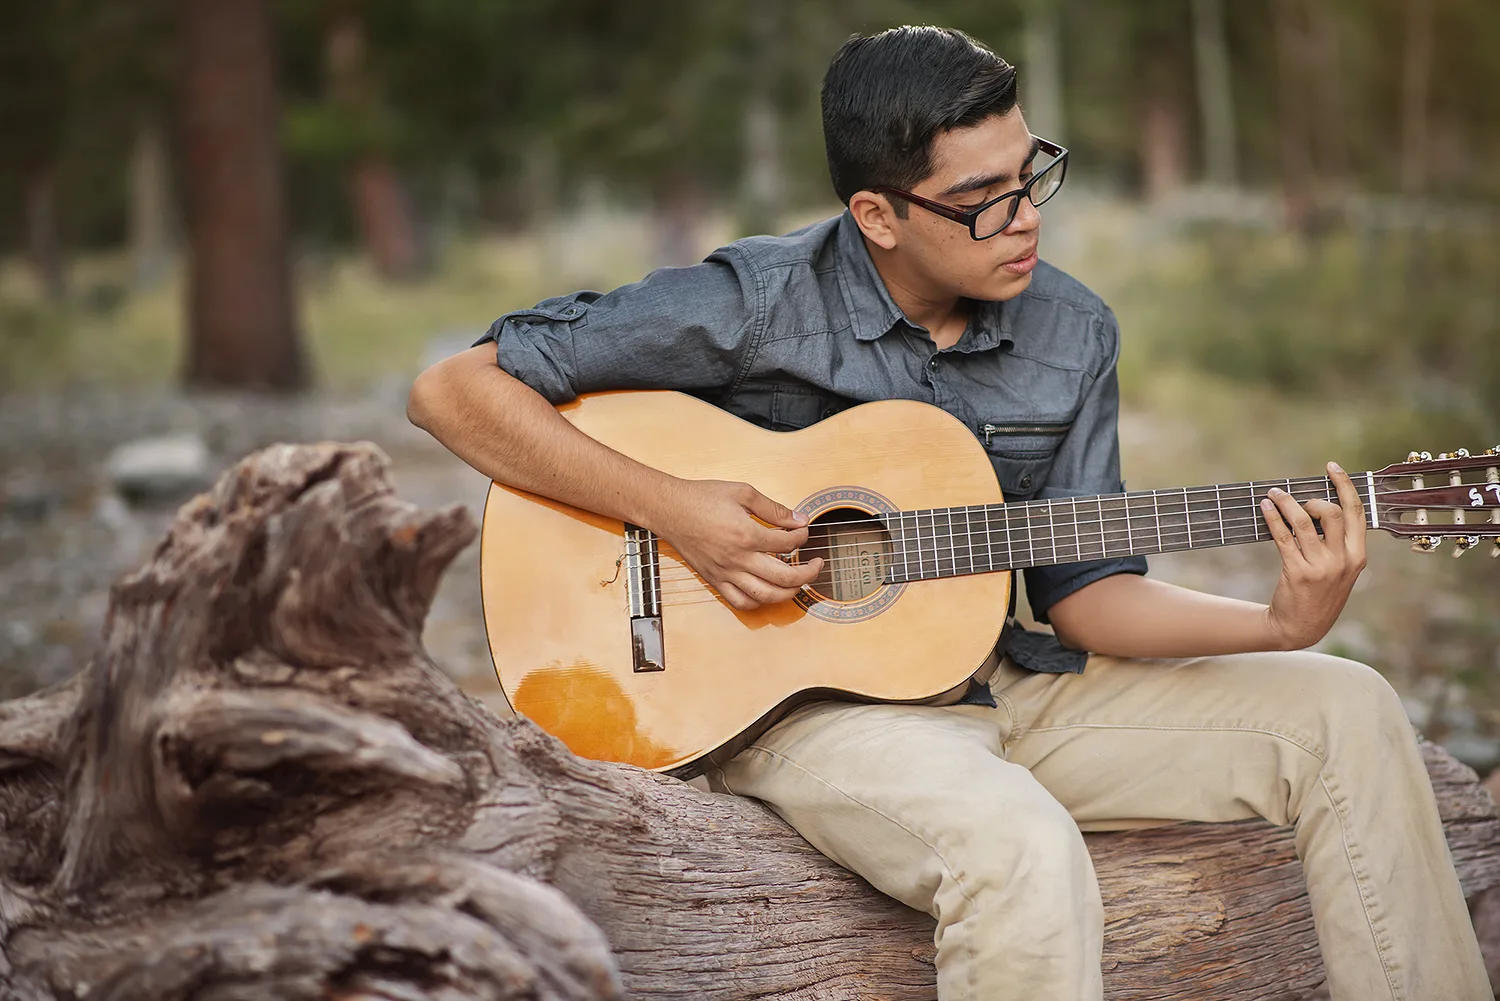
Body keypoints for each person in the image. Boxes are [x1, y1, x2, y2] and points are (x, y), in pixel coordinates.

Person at [407, 25, 1489, 1001]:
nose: (1023, 220)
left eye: (1033, 177)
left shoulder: (1072, 331)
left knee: (1348, 706)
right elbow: (453, 389)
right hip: (797, 705)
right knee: (1016, 843)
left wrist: (1278, 626)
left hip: (1007, 681)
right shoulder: (756, 301)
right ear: (875, 213)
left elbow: (1091, 594)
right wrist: (680, 510)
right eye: (982, 198)